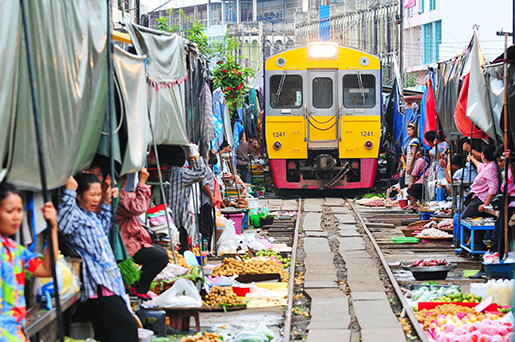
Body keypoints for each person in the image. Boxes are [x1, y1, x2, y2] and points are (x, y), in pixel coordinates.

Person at [58, 173, 138, 342]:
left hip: (109, 281)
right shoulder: (74, 215)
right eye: (92, 195)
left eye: (98, 195)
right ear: (79, 196)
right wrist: (69, 193)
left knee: (106, 334)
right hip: (99, 285)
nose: (96, 199)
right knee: (127, 328)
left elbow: (105, 225)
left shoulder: (90, 215)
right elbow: (62, 225)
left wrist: (107, 201)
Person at [0, 182, 59, 342]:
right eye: (9, 211)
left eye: (19, 210)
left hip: (16, 334)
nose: (16, 216)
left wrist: (52, 228)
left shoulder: (14, 250)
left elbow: (47, 269)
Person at [117, 167, 168, 301]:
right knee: (160, 257)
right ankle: (137, 287)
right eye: (122, 178)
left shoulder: (119, 194)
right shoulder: (115, 196)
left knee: (160, 252)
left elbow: (132, 199)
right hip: (123, 243)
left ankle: (138, 285)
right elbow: (137, 207)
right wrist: (142, 182)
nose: (125, 181)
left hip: (131, 239)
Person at [162, 144, 207, 254]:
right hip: (179, 218)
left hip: (165, 219)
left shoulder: (166, 173)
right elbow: (202, 172)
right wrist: (196, 155)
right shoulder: (181, 173)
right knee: (182, 249)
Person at [461, 144, 500, 219]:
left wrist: (485, 204)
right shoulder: (488, 166)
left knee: (464, 219)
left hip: (482, 199)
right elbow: (480, 166)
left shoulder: (491, 167)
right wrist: (472, 159)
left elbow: (493, 188)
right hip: (478, 197)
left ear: (484, 156)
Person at [200, 152, 217, 252]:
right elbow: (204, 184)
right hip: (205, 201)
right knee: (206, 227)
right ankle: (206, 250)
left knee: (209, 226)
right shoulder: (204, 168)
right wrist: (212, 197)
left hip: (206, 201)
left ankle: (207, 250)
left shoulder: (205, 167)